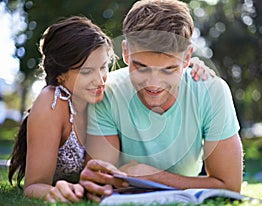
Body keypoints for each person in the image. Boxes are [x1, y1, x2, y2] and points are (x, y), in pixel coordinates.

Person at [7, 15, 213, 203]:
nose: (99, 80)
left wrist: (186, 66)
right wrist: (54, 191)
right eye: (86, 71)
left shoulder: (111, 95)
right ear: (61, 74)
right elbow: (34, 186)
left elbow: (151, 71)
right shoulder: (51, 103)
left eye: (103, 67)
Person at [80, 0, 243, 202]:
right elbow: (100, 182)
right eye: (141, 67)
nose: (154, 84)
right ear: (125, 52)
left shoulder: (212, 91)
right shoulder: (107, 93)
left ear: (187, 57)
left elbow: (229, 185)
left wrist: (151, 176)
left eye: (169, 69)